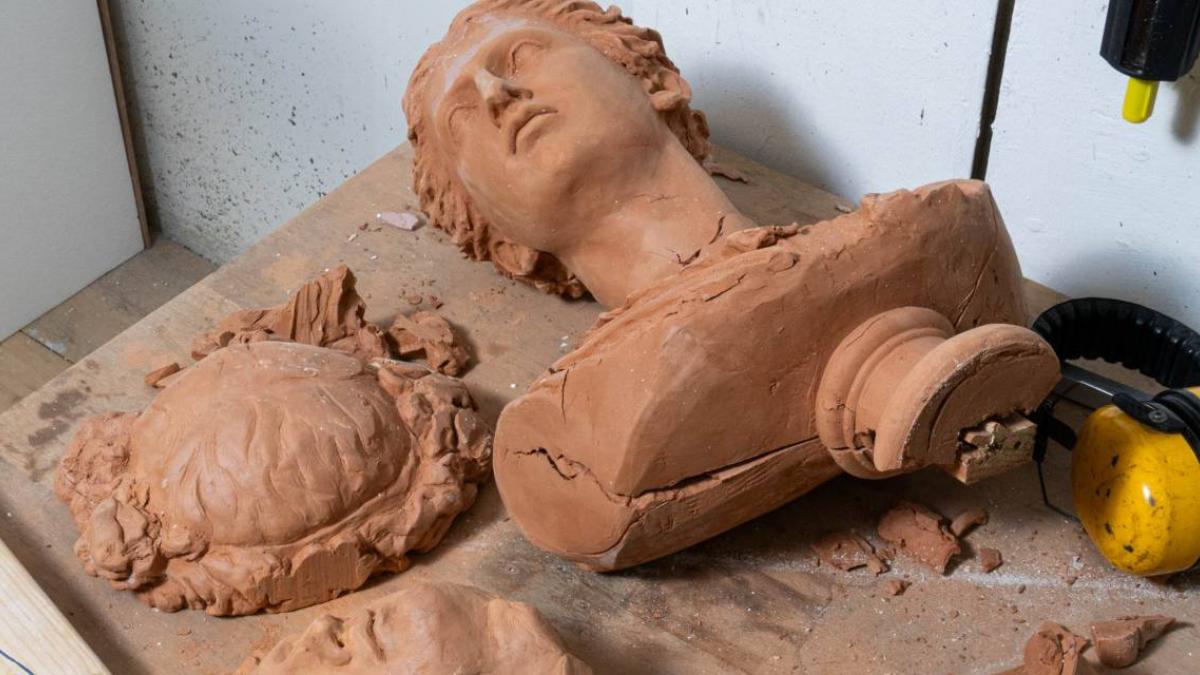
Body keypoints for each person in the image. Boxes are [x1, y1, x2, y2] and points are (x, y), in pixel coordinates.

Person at [403, 0, 1059, 570]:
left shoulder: (946, 236)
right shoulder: (565, 449)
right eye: (461, 118)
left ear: (650, 79)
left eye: (521, 56)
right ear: (501, 239)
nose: (497, 93)